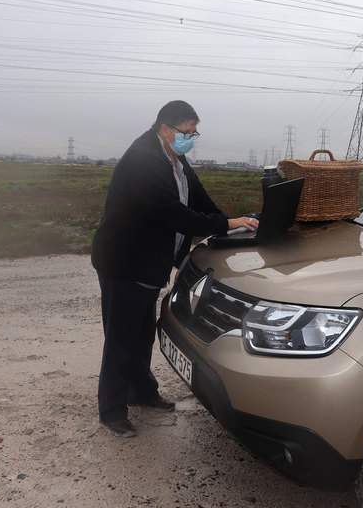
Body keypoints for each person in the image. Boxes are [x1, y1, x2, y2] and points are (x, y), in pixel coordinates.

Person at [91, 100, 258, 437]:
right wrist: (225, 223)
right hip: (125, 262)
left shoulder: (174, 156)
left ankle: (141, 392)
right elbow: (174, 214)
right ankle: (111, 410)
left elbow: (198, 199)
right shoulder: (144, 160)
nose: (191, 139)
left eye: (194, 133)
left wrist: (232, 224)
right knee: (122, 338)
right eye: (187, 132)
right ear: (166, 129)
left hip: (147, 262)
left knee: (141, 334)